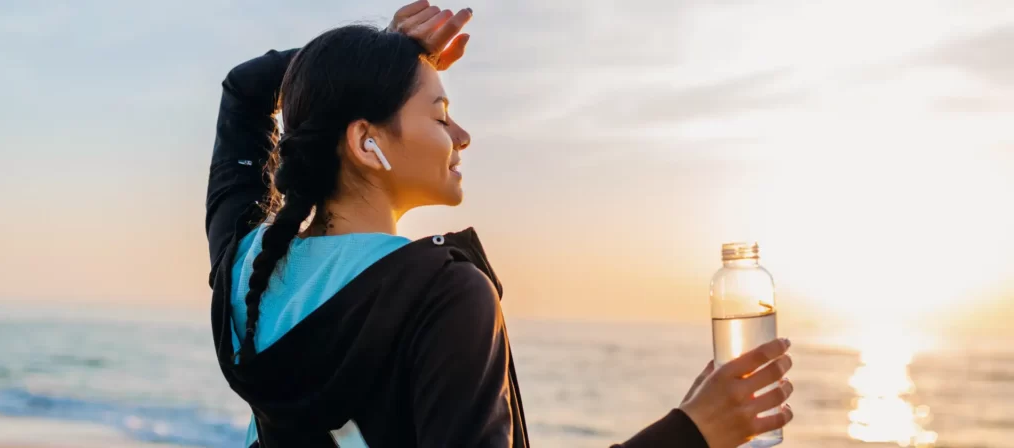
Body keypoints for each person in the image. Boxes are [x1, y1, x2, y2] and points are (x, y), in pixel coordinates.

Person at [205, 2, 795, 447]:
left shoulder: (245, 270)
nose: (461, 136)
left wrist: (371, 58)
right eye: (440, 116)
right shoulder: (443, 293)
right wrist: (692, 431)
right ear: (366, 141)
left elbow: (243, 90)